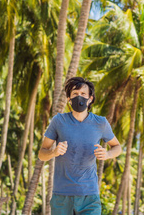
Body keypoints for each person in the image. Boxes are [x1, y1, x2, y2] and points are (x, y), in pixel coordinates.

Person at [38, 77, 122, 215]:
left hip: (89, 195)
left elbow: (117, 147)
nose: (79, 97)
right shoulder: (58, 121)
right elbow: (42, 153)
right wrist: (53, 152)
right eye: (75, 94)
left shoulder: (100, 123)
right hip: (62, 195)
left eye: (83, 94)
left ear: (90, 98)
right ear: (69, 99)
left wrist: (107, 154)